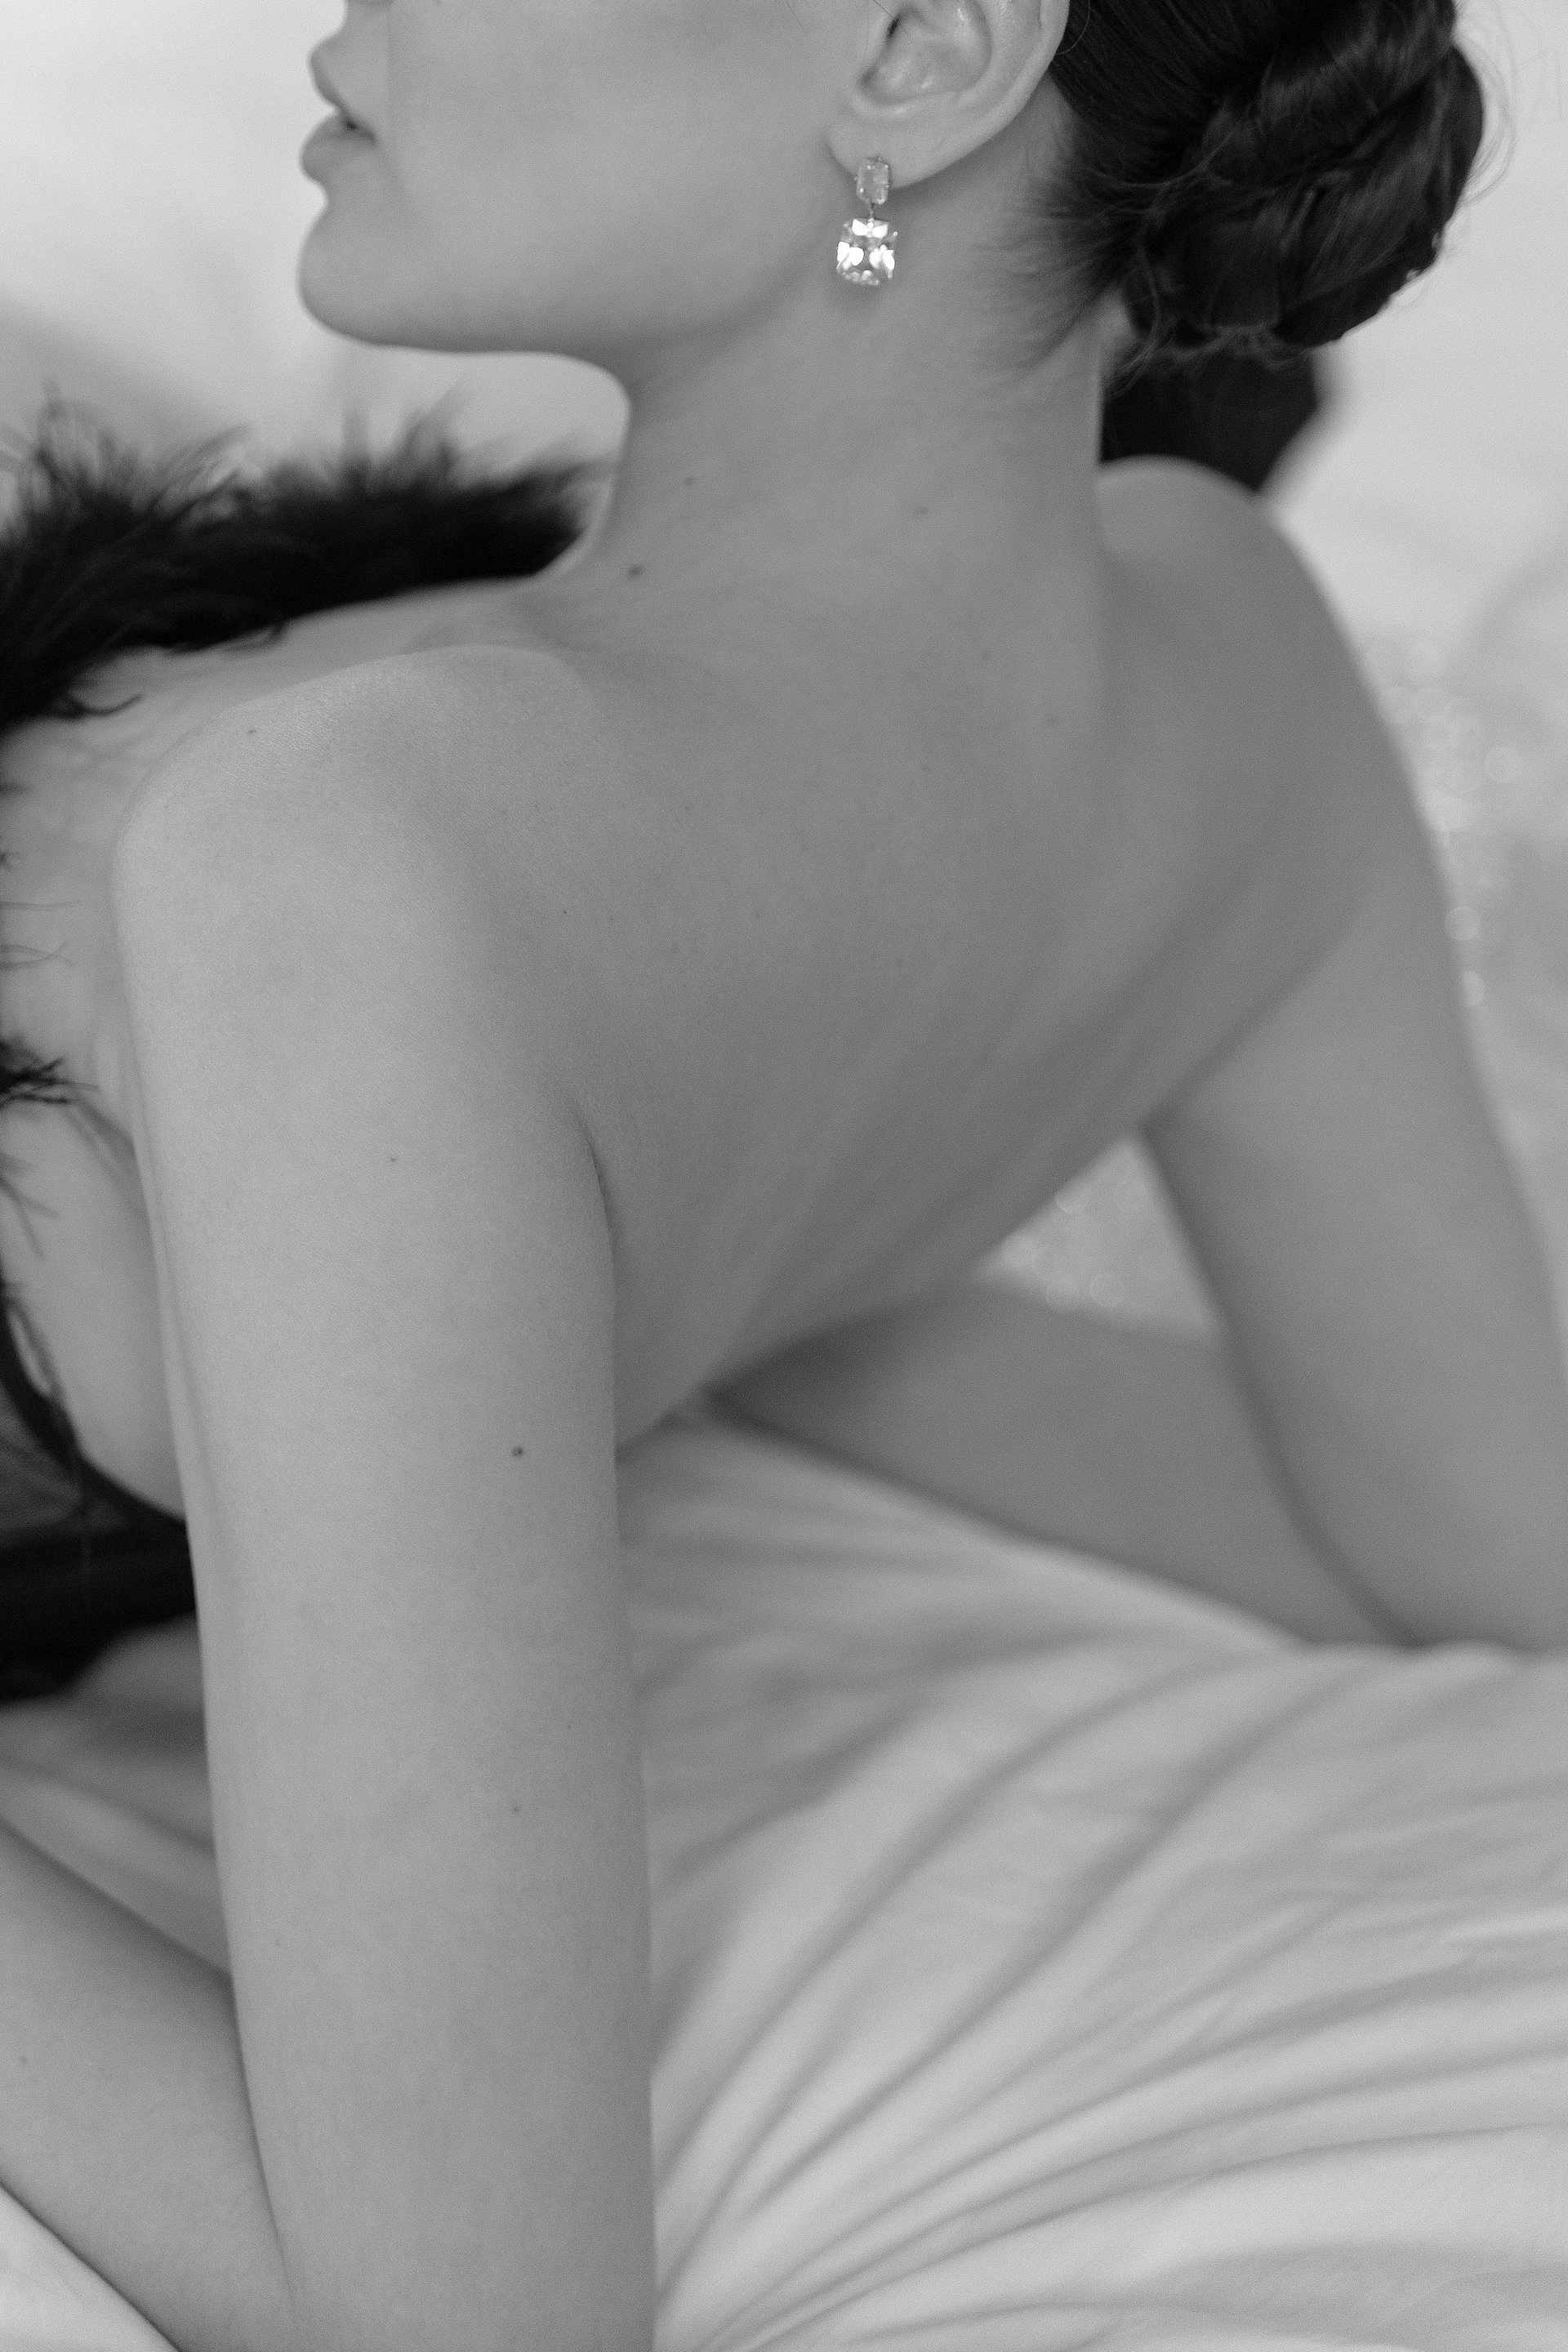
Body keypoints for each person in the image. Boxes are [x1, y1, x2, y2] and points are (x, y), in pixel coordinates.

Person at [1, 2, 1564, 2349]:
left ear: (925, 52)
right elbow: (1468, 1540)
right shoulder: (1227, 675)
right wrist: (673, 1313)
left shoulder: (360, 858)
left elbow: (456, 2309)